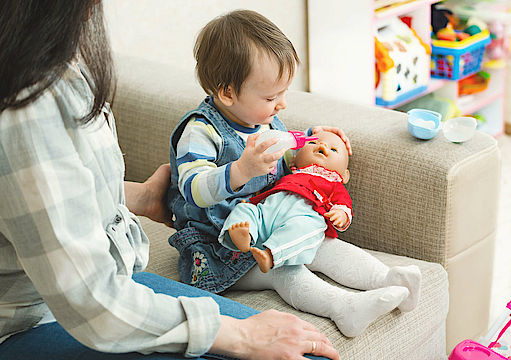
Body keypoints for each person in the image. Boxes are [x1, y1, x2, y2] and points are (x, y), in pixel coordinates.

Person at [0, 1, 340, 359]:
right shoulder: (26, 113)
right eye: (272, 96)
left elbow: (46, 199)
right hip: (44, 318)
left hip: (108, 288)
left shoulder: (63, 64)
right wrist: (245, 336)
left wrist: (137, 196)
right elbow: (90, 299)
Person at [168, 9, 422, 338]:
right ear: (228, 93)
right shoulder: (201, 132)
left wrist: (313, 139)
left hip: (274, 222)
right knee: (286, 269)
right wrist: (239, 170)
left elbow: (287, 153)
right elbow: (193, 189)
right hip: (223, 247)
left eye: (284, 93)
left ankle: (390, 281)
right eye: (272, 96)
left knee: (325, 245)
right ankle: (342, 308)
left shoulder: (263, 120)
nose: (282, 105)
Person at [220, 131, 354, 273]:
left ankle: (271, 255)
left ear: (345, 175)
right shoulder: (288, 174)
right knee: (244, 209)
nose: (322, 145)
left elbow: (344, 205)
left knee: (307, 229)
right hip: (266, 213)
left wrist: (340, 214)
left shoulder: (334, 184)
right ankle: (243, 235)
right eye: (313, 143)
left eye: (333, 149)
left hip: (302, 218)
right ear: (293, 161)